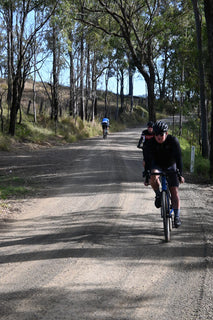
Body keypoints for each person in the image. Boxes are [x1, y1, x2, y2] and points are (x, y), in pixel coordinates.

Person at [143, 120, 185, 228]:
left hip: (171, 165)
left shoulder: (173, 141)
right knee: (153, 175)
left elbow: (179, 158)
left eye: (161, 134)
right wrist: (147, 175)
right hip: (157, 165)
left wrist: (180, 174)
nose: (158, 137)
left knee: (174, 191)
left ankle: (177, 216)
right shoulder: (150, 143)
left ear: (166, 133)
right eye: (156, 134)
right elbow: (147, 161)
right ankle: (158, 194)